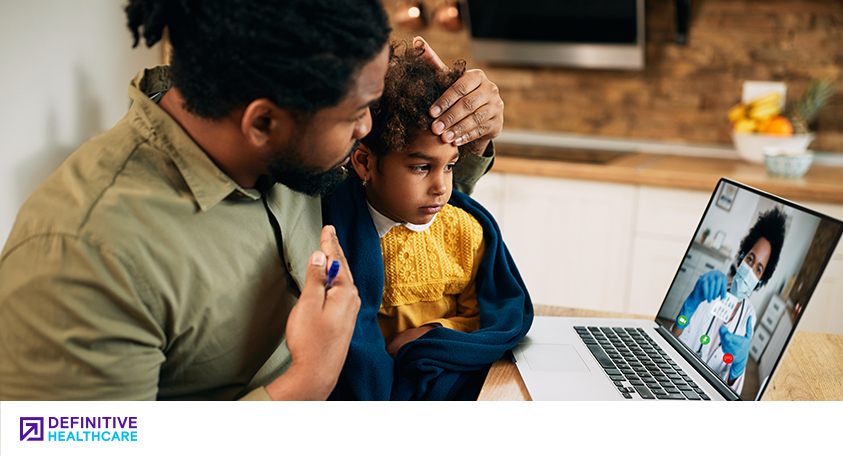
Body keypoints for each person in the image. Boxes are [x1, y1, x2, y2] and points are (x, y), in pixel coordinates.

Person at [0, 0, 505, 401]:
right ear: (262, 123)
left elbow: (407, 196)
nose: (367, 130)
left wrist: (466, 133)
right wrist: (305, 383)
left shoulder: (297, 156)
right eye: (356, 114)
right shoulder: (82, 257)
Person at [323, 43, 532, 400]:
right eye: (421, 167)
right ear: (363, 163)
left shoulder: (465, 233)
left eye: (450, 165)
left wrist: (432, 334)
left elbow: (482, 315)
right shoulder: (332, 235)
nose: (442, 186)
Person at [671, 207, 787, 394]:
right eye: (750, 259)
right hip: (677, 376)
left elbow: (730, 391)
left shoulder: (748, 318)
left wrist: (738, 368)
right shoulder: (709, 291)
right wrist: (689, 307)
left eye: (758, 269)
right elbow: (674, 341)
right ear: (741, 258)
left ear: (760, 282)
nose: (750, 270)